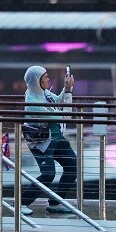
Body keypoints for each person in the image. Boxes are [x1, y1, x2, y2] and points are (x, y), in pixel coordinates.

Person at [20, 65, 76, 215]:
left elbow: (57, 101)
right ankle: (22, 202)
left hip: (57, 138)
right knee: (48, 174)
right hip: (41, 142)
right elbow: (65, 115)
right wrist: (69, 92)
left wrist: (65, 88)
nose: (48, 79)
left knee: (73, 166)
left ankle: (55, 203)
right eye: (45, 78)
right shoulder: (32, 101)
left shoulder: (43, 93)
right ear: (36, 81)